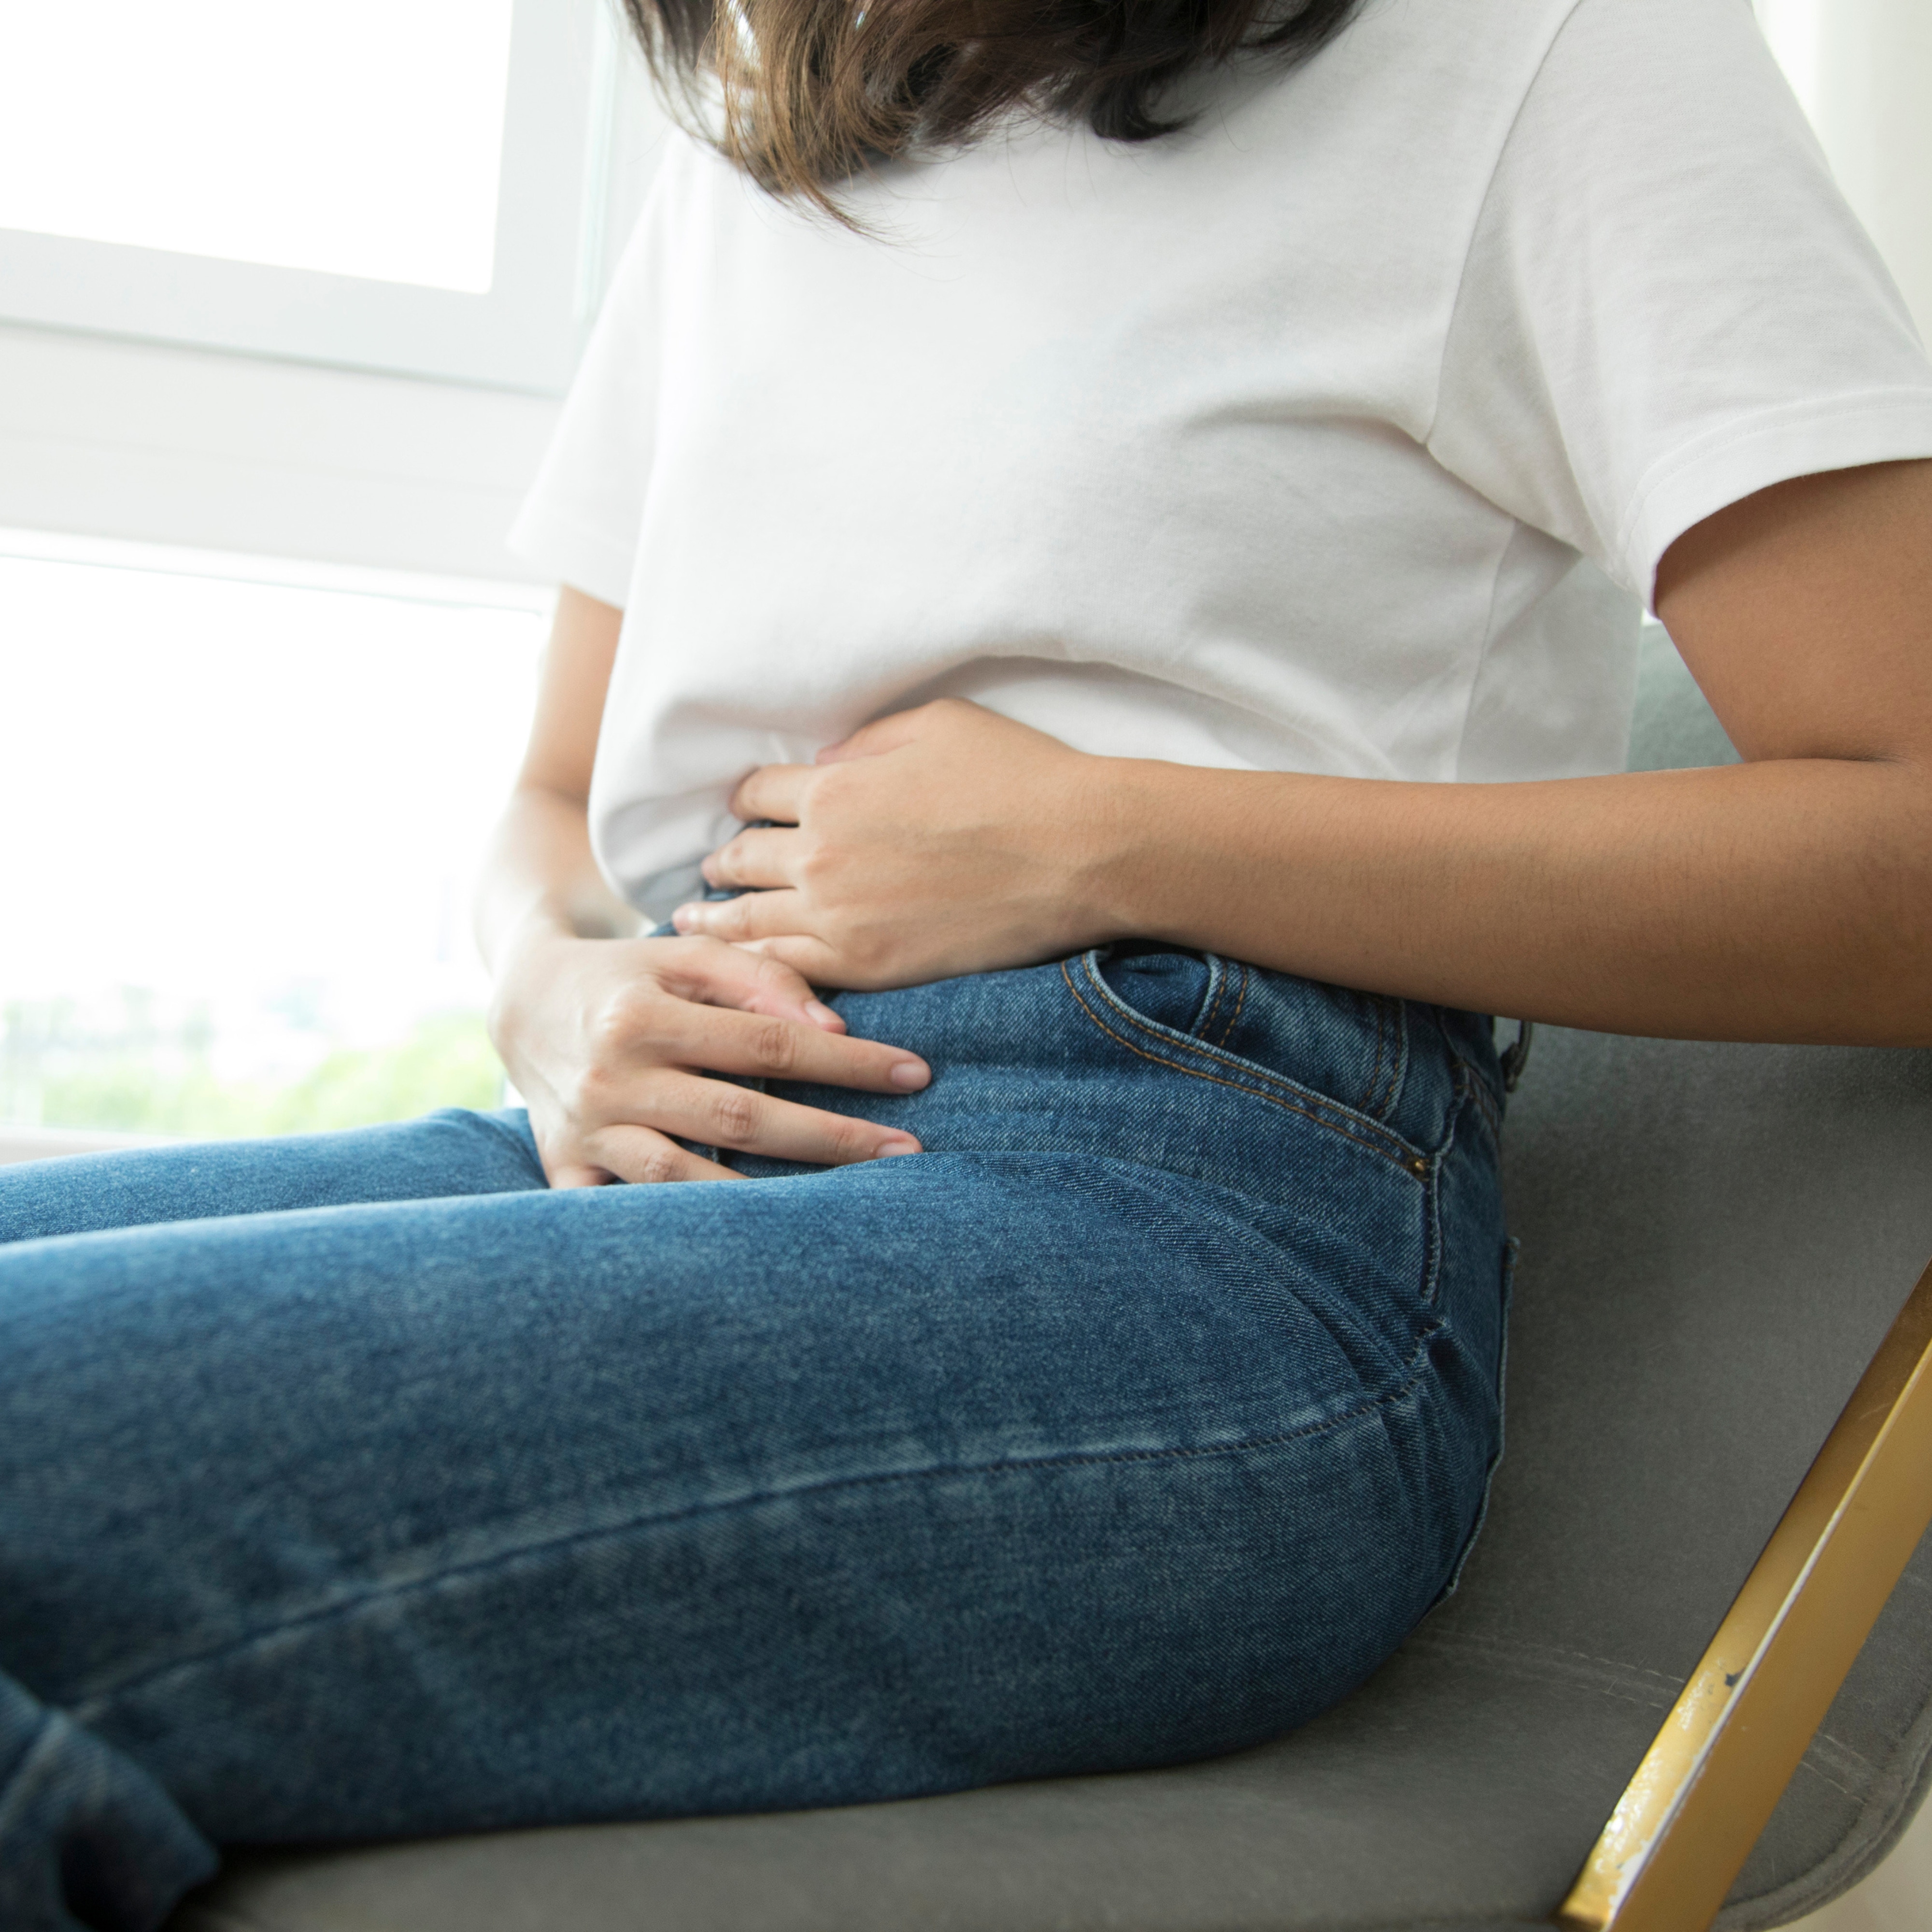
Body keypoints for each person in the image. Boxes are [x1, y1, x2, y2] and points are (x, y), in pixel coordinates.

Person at [4, 0, 1932, 1924]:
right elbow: (549, 799)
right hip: (652, 1149)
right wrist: (557, 995)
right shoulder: (774, 128)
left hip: (1183, 1226)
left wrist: (1107, 827)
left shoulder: (1547, 49)